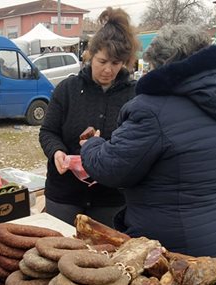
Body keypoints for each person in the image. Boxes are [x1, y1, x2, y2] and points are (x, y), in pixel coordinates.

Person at [80, 24, 216, 264]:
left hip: (178, 251)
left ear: (164, 64)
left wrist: (92, 144)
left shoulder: (153, 109)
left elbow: (111, 168)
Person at [38, 7, 139, 227]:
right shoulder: (67, 89)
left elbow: (139, 143)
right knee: (57, 252)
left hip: (111, 197)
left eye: (115, 63)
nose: (108, 70)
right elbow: (48, 131)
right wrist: (57, 151)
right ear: (90, 55)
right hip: (64, 192)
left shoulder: (134, 95)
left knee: (104, 256)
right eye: (102, 61)